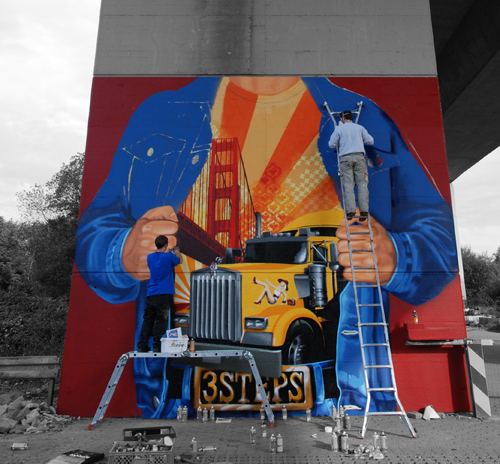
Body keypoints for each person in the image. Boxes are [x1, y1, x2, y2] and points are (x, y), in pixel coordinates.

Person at [75, 76, 458, 416]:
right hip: (174, 399)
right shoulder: (159, 113)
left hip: (343, 401)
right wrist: (121, 250)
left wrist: (398, 255)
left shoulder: (363, 115)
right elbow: (97, 226)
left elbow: (438, 236)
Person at [137, 235, 181, 353]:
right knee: (161, 320)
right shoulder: (169, 257)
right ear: (166, 245)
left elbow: (160, 258)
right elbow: (179, 260)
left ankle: (142, 345)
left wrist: (166, 252)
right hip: (164, 293)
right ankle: (157, 345)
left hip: (151, 293)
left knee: (148, 320)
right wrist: (176, 251)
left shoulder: (150, 257)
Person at [328, 110, 374, 221]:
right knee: (362, 184)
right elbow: (370, 141)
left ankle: (351, 212)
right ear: (351, 118)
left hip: (345, 158)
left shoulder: (339, 129)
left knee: (348, 185)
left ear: (343, 119)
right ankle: (364, 211)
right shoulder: (359, 128)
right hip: (359, 157)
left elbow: (331, 144)